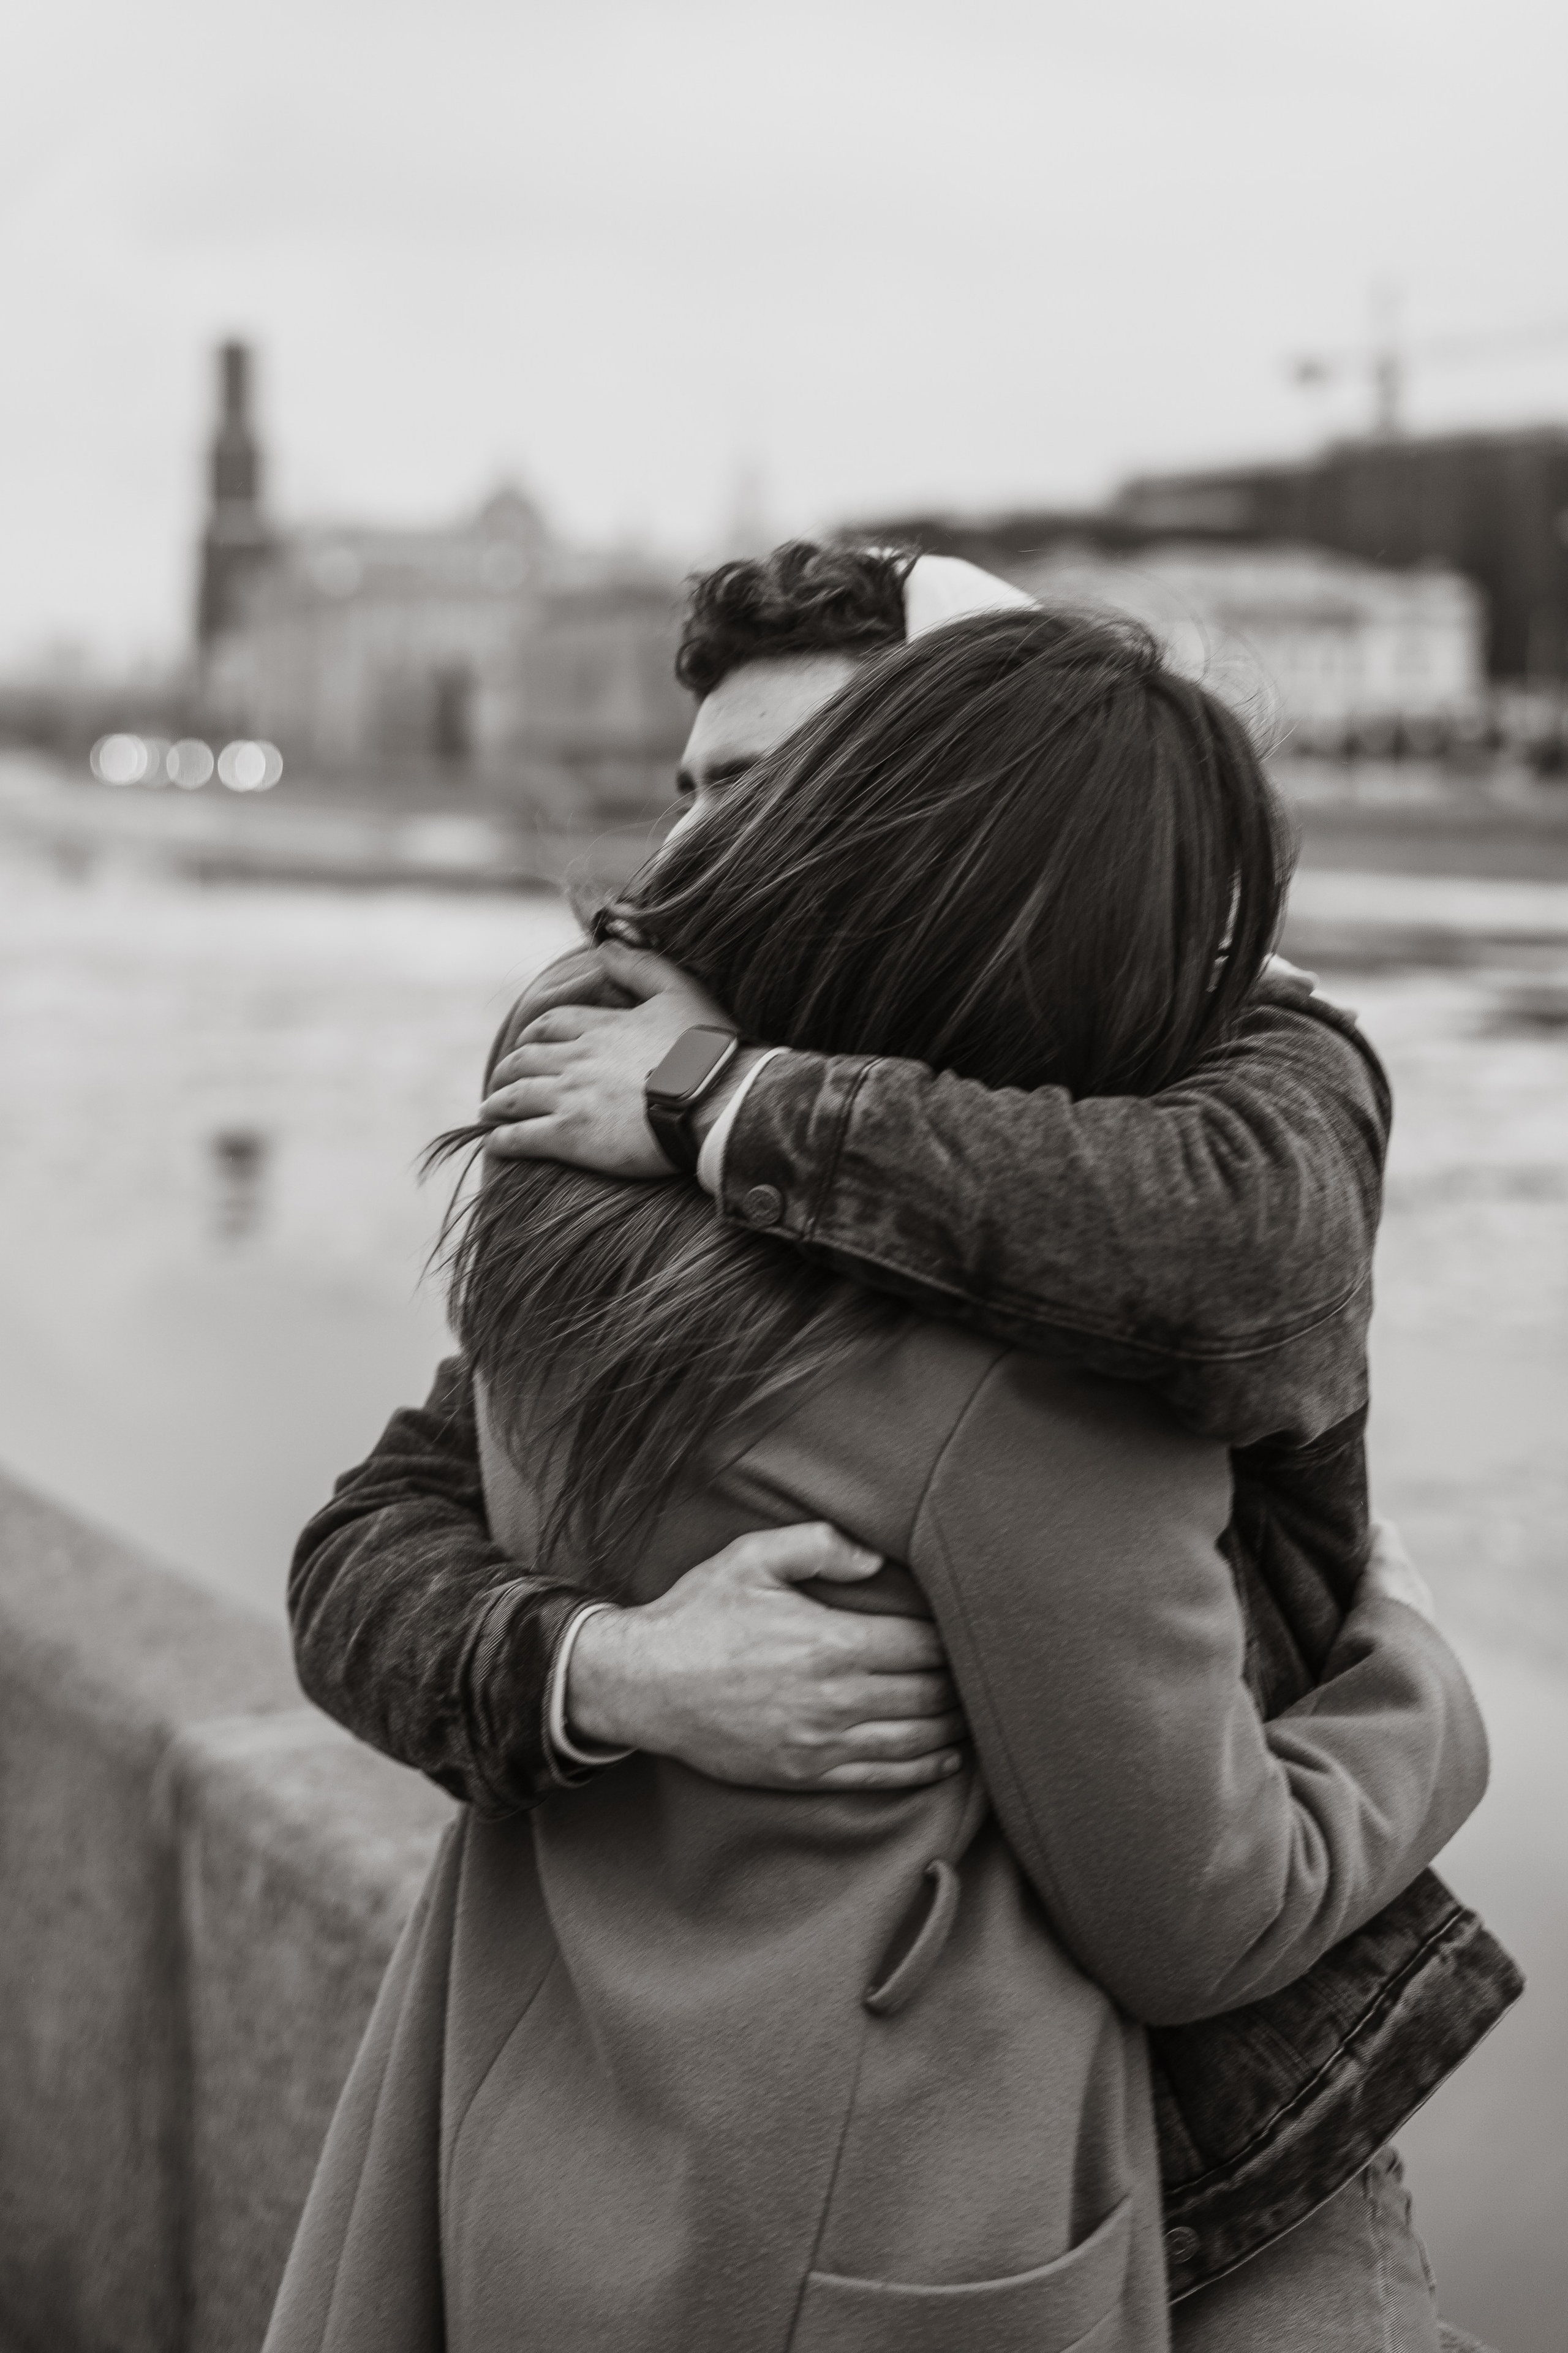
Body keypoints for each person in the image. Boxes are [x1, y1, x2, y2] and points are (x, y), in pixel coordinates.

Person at [288, 544, 1519, 2325]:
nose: (704, 845)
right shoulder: (657, 1185)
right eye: (694, 784)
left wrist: (726, 1101)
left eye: (779, 780)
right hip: (946, 2171)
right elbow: (362, 1552)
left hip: (600, 2147)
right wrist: (608, 1666)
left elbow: (1248, 1230)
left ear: (938, 793)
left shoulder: (1229, 1065)